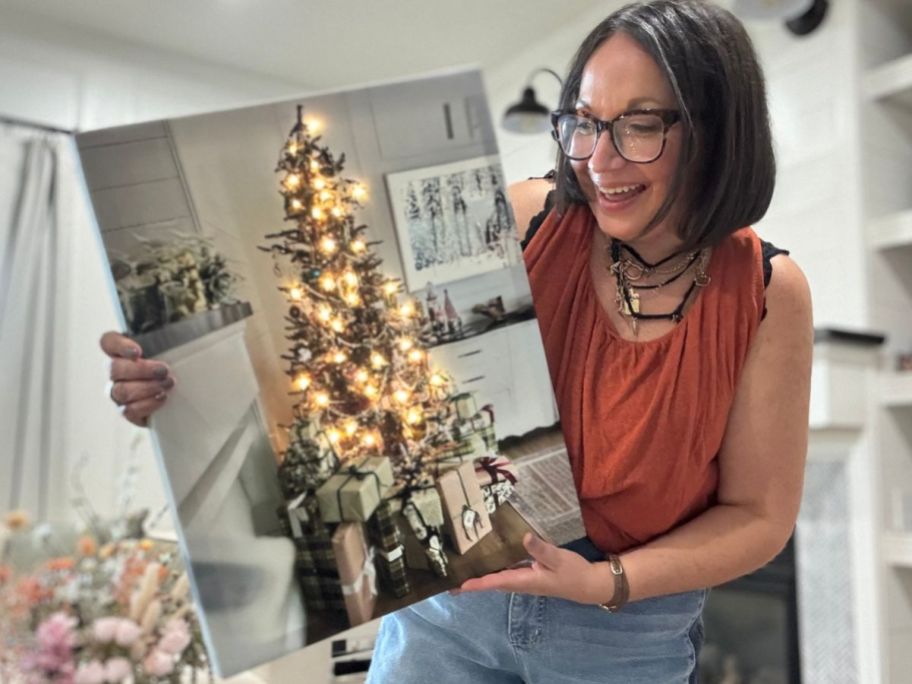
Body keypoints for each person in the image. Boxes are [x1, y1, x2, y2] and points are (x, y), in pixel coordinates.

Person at [101, 1, 813, 681]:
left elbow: (758, 517)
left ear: (718, 129)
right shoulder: (529, 217)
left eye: (641, 125)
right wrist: (179, 391)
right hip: (452, 609)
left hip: (622, 631)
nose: (599, 159)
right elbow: (351, 356)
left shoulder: (767, 293)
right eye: (584, 123)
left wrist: (604, 580)